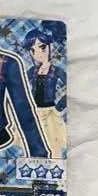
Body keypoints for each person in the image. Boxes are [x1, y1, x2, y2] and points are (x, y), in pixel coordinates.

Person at [22, 26, 67, 157]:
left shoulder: (56, 71)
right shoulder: (32, 71)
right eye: (32, 50)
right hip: (34, 112)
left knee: (53, 143)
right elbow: (20, 86)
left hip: (50, 112)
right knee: (32, 143)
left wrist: (60, 106)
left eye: (42, 47)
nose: (38, 53)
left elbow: (73, 87)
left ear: (50, 47)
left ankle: (54, 164)